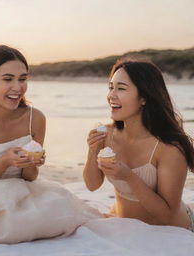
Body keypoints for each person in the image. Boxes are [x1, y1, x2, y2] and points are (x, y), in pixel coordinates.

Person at [0, 45, 100, 243]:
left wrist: (31, 163)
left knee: (58, 214)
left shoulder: (36, 118)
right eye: (8, 79)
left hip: (24, 190)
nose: (18, 87)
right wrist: (5, 162)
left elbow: (30, 178)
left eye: (23, 79)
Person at [83, 58, 194, 231]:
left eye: (120, 88)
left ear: (144, 97)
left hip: (172, 233)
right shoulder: (107, 134)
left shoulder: (169, 148)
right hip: (125, 228)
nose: (111, 95)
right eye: (111, 87)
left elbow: (166, 216)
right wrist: (93, 150)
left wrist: (129, 176)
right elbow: (92, 185)